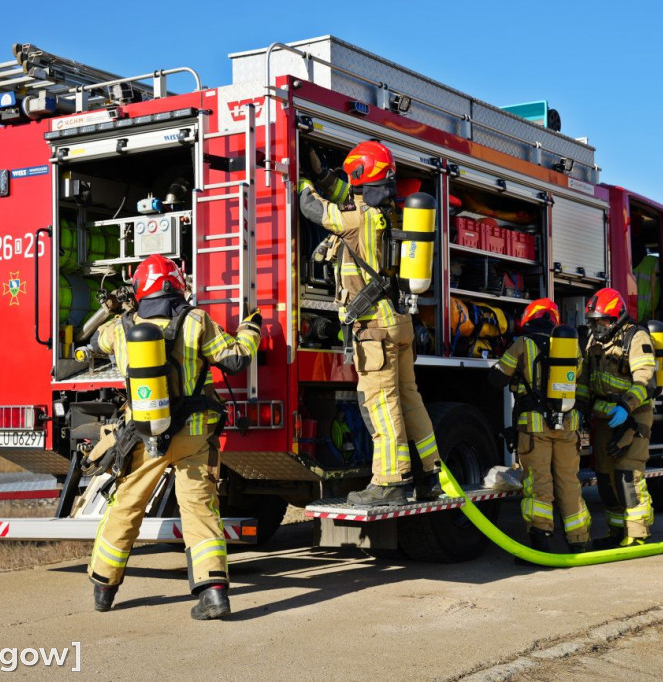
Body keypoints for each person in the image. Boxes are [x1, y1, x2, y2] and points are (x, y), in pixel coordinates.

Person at [84, 254, 261, 619]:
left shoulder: (121, 327)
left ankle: (103, 587)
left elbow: (96, 341)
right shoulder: (196, 321)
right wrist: (252, 328)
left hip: (145, 437)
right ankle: (213, 593)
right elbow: (236, 359)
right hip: (194, 438)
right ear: (176, 285)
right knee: (200, 511)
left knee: (126, 507)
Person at [298, 140, 441, 506]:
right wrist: (322, 173)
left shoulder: (356, 219)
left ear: (360, 173)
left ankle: (390, 482)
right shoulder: (388, 211)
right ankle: (430, 474)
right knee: (410, 399)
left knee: (382, 402)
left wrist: (300, 180)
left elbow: (313, 208)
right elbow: (346, 193)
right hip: (399, 321)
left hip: (374, 328)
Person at [488, 298, 591, 554]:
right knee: (569, 482)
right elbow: (578, 379)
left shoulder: (523, 344)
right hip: (568, 426)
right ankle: (579, 541)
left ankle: (541, 543)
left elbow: (497, 380)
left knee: (539, 483)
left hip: (535, 429)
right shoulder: (570, 348)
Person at [576, 287, 656, 548]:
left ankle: (637, 534)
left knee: (627, 476)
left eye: (603, 321)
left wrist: (625, 407)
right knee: (606, 478)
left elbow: (645, 382)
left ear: (617, 317)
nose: (598, 327)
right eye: (594, 322)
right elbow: (586, 380)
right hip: (604, 419)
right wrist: (580, 407)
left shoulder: (636, 337)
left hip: (633, 417)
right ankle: (616, 532)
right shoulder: (594, 341)